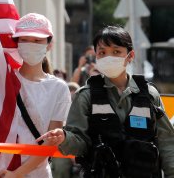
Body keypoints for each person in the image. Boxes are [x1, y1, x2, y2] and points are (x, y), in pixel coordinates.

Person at [37, 25, 174, 177]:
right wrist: (64, 137)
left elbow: (167, 143)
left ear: (130, 56)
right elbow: (79, 144)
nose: (109, 57)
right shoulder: (86, 96)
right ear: (96, 56)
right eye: (102, 52)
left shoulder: (149, 95)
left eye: (116, 51)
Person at [0, 13, 72, 178]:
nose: (30, 45)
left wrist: (16, 174)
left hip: (37, 174)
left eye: (37, 41)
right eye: (24, 40)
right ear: (17, 43)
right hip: (0, 170)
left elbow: (52, 141)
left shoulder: (59, 88)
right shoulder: (4, 81)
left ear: (49, 45)